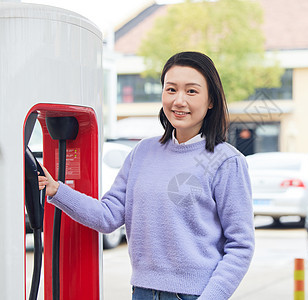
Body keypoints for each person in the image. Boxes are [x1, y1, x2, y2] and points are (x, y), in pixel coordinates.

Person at [39, 51, 255, 300]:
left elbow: (240, 245)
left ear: (211, 101)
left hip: (194, 295)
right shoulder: (142, 152)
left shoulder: (227, 161)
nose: (179, 101)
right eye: (171, 89)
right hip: (141, 291)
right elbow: (108, 217)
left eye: (191, 91)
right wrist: (57, 190)